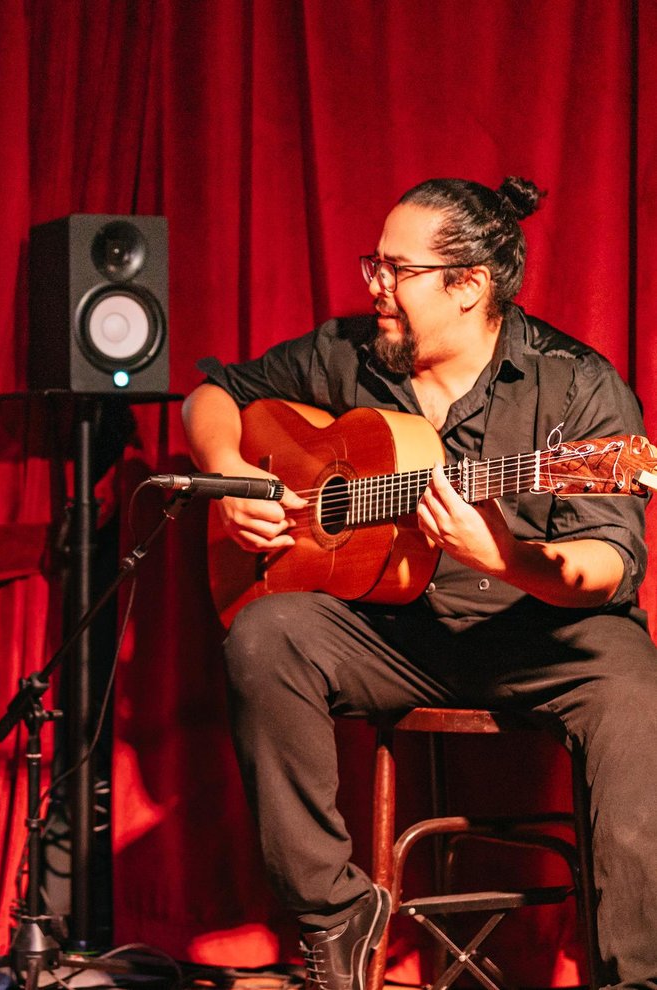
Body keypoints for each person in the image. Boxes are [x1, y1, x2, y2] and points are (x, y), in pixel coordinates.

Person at [183, 176, 657, 990]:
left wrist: (502, 558)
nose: (374, 286)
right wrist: (232, 478)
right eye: (376, 264)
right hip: (396, 632)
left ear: (469, 285)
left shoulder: (575, 386)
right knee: (266, 633)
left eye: (394, 271)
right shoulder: (350, 353)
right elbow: (216, 393)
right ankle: (336, 921)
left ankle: (637, 975)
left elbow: (609, 564)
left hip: (543, 630)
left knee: (638, 695)